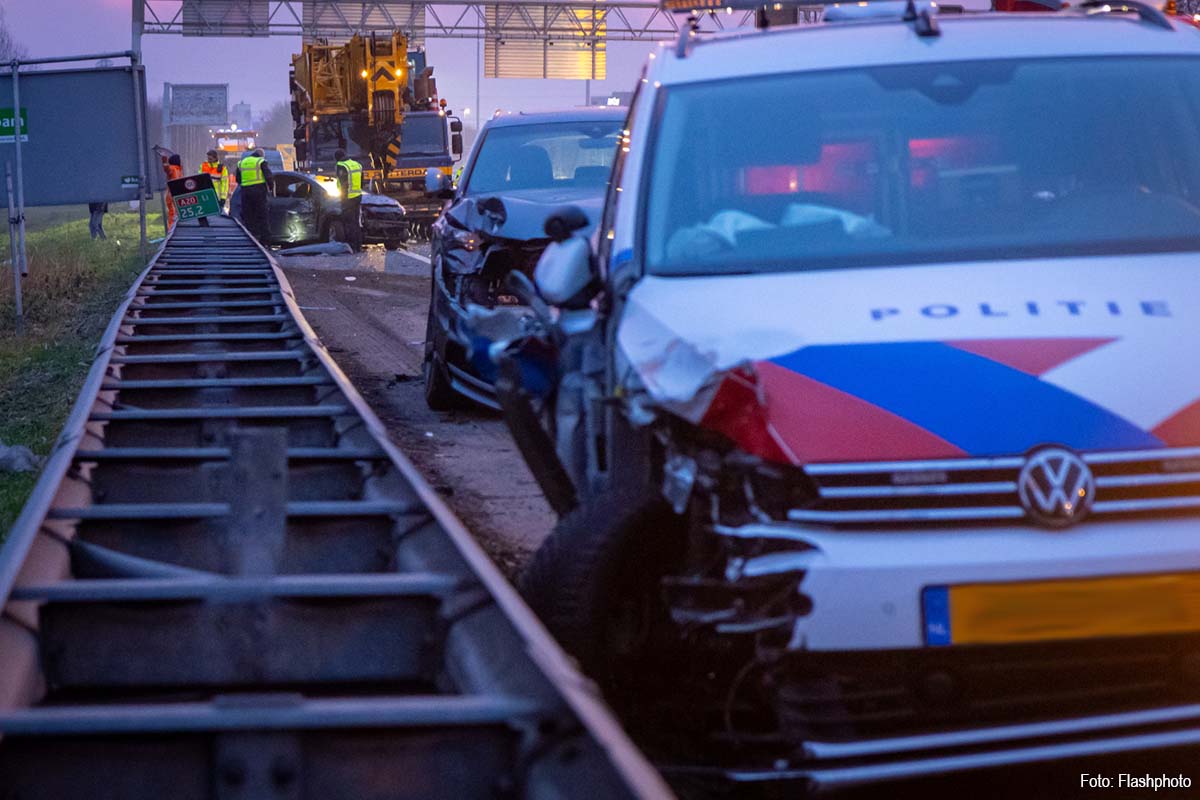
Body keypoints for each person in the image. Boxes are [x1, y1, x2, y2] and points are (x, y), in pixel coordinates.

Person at [236, 148, 272, 243]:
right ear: (261, 155)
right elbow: (268, 176)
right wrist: (271, 188)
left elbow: (238, 179)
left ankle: (251, 238)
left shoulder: (242, 162)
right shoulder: (261, 161)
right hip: (259, 191)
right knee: (262, 215)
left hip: (245, 192)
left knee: (249, 216)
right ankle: (265, 240)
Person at [335, 148, 363, 253]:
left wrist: (343, 197)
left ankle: (351, 246)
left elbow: (343, 183)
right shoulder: (356, 164)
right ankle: (358, 246)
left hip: (349, 198)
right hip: (358, 196)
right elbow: (362, 181)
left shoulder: (341, 165)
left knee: (349, 223)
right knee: (356, 222)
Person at [198, 149, 229, 228]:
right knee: (203, 216)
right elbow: (198, 180)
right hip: (204, 195)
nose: (209, 160)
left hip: (216, 196)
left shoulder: (222, 168)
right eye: (208, 158)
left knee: (216, 218)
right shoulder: (203, 166)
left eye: (210, 159)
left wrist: (223, 198)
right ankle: (204, 229)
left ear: (215, 158)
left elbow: (224, 184)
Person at [164, 154, 183, 230]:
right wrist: (165, 162)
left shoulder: (178, 170)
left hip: (176, 195)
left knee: (176, 213)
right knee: (173, 213)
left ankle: (174, 228)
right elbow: (167, 169)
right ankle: (171, 229)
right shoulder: (173, 169)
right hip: (172, 196)